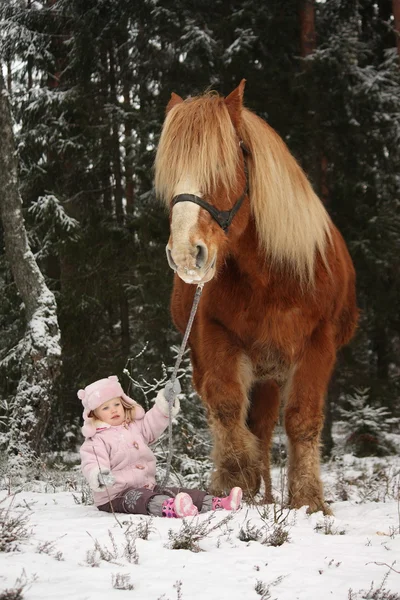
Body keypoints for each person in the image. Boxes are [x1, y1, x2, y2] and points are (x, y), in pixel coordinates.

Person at [78, 375, 243, 517]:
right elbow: (91, 462)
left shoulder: (134, 426)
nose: (113, 410)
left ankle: (217, 503)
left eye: (116, 404)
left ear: (124, 404)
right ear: (94, 414)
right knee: (141, 498)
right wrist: (99, 475)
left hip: (147, 485)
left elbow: (152, 422)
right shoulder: (96, 440)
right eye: (105, 408)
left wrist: (166, 401)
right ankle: (170, 508)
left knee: (175, 492)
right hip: (115, 495)